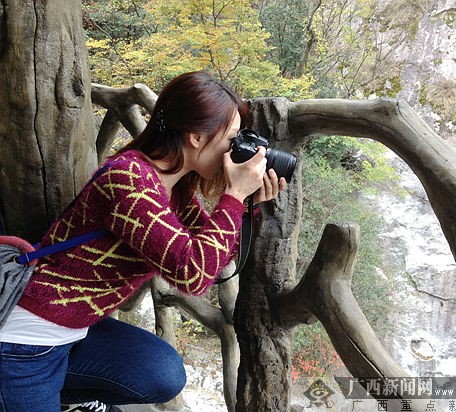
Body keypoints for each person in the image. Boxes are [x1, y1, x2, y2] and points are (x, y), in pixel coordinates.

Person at [0, 71, 286, 412]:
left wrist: (248, 206)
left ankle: (64, 392)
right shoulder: (128, 179)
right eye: (232, 139)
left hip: (76, 332)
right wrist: (234, 196)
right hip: (25, 344)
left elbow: (211, 260)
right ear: (197, 136)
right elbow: (191, 273)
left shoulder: (176, 190)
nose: (235, 151)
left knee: (162, 373)